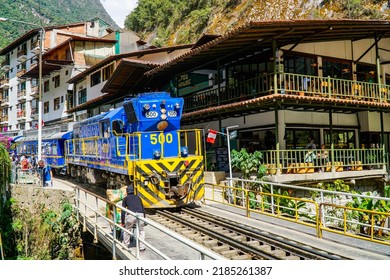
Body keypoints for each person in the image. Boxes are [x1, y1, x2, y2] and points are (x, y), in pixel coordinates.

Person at [121, 185, 146, 251]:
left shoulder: (125, 198)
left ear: (127, 192)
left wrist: (123, 222)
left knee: (127, 230)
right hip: (140, 214)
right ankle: (142, 247)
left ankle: (125, 246)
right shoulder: (138, 197)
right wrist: (144, 219)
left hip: (131, 215)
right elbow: (143, 209)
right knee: (141, 231)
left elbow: (123, 210)